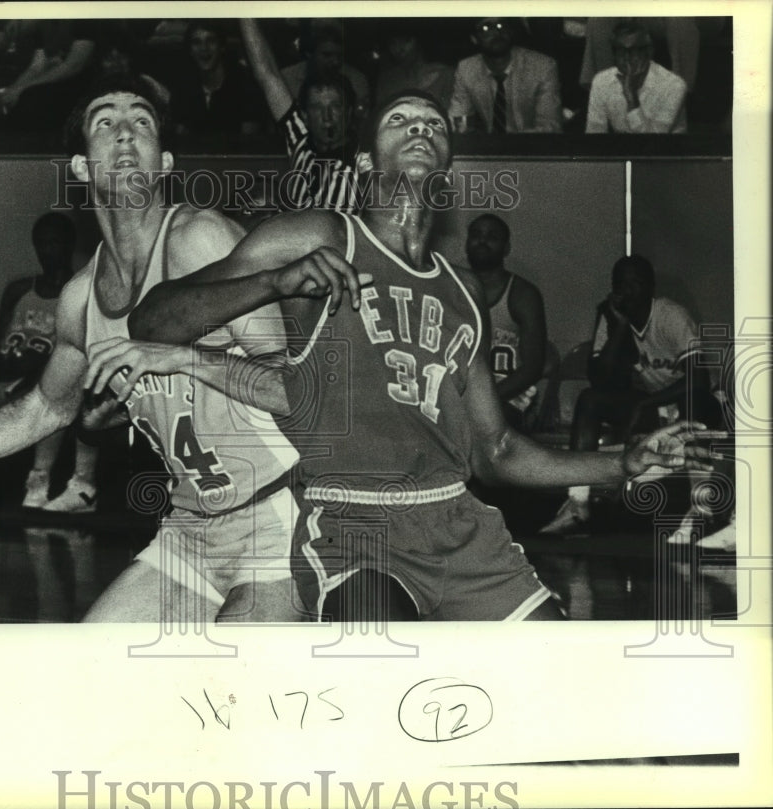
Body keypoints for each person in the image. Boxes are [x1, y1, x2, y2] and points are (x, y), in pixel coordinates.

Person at [122, 89, 719, 621]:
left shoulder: (464, 295)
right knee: (388, 669)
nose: (419, 128)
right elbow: (153, 321)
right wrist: (273, 284)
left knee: (560, 687)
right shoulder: (320, 236)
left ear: (448, 168)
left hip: (458, 523)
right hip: (355, 526)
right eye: (399, 119)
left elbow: (497, 451)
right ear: (364, 163)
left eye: (434, 123)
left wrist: (623, 461)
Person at [0, 75, 305, 625]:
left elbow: (296, 391)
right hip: (190, 527)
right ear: (80, 168)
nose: (124, 134)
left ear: (165, 163)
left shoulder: (200, 240)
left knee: (238, 682)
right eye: (106, 123)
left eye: (142, 122)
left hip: (278, 513)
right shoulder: (79, 299)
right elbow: (43, 408)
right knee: (86, 671)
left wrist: (182, 359)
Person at [539, 254, 722, 534]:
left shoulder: (671, 315)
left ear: (650, 288)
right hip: (651, 407)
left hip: (694, 404)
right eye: (620, 284)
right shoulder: (610, 316)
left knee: (693, 400)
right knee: (590, 400)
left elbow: (699, 379)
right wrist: (620, 327)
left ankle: (701, 510)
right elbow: (598, 378)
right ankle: (578, 503)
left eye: (635, 283)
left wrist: (646, 403)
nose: (627, 290)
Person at [0, 212, 101, 511]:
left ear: (69, 245)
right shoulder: (20, 290)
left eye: (55, 243)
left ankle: (39, 481)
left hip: (43, 375)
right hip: (6, 368)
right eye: (41, 244)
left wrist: (31, 365)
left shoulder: (81, 292)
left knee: (54, 376)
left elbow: (77, 355)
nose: (48, 251)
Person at [239, 18, 359, 213]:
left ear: (348, 112)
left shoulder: (364, 162)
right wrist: (244, 12)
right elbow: (266, 73)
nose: (327, 116)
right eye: (317, 108)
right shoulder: (299, 139)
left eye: (335, 106)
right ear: (304, 115)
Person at [463, 213, 549, 431]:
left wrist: (485, 399)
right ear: (466, 243)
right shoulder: (452, 286)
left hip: (511, 396)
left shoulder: (523, 294)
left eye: (492, 236)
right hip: (464, 394)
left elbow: (533, 367)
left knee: (485, 426)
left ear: (506, 248)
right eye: (476, 235)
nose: (482, 241)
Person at [448, 18, 563, 134]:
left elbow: (550, 128)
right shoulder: (467, 69)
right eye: (486, 28)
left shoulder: (541, 66)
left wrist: (508, 145)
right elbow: (457, 121)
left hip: (534, 147)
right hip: (490, 147)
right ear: (474, 39)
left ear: (510, 32)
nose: (496, 33)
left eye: (501, 25)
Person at [585, 21, 688, 134]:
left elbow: (654, 142)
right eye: (620, 51)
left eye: (634, 51)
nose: (627, 58)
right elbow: (594, 133)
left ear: (649, 52)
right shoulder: (601, 81)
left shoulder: (674, 85)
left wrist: (632, 100)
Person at [170, 19, 263, 143]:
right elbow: (179, 139)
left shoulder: (245, 85)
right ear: (190, 51)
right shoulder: (183, 88)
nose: (204, 48)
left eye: (211, 41)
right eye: (196, 42)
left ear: (222, 47)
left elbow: (250, 142)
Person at [280, 21, 371, 121]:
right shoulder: (286, 79)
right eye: (327, 55)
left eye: (339, 56)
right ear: (309, 54)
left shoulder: (357, 80)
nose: (335, 62)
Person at [375, 23, 455, 114]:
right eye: (393, 43)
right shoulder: (387, 80)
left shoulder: (444, 74)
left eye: (406, 41)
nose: (399, 49)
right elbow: (380, 119)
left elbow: (453, 117)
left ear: (419, 42)